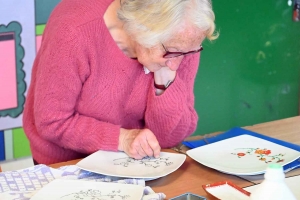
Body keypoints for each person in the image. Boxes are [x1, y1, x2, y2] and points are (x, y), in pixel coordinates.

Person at [23, 0, 218, 165]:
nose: (176, 65)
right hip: (65, 164)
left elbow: (169, 139)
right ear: (141, 27)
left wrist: (164, 83)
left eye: (188, 52)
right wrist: (123, 138)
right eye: (172, 52)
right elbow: (52, 121)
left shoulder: (182, 40)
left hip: (136, 163)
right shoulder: (74, 30)